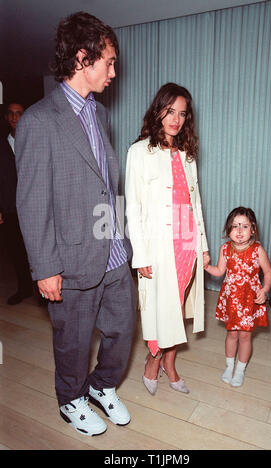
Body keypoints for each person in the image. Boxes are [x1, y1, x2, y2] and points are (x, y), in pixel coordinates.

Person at [15, 11, 136, 436]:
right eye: (110, 61)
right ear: (83, 58)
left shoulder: (100, 114)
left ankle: (102, 387)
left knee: (122, 330)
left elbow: (105, 182)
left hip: (113, 247)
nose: (114, 72)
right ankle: (71, 400)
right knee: (74, 342)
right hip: (70, 258)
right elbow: (30, 202)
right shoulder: (37, 121)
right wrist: (44, 266)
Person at [125, 83, 210, 395]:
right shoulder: (139, 151)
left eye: (182, 114)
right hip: (158, 244)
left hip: (187, 241)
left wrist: (202, 245)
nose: (176, 119)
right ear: (158, 109)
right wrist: (141, 255)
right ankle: (155, 360)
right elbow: (132, 207)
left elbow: (195, 201)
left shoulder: (186, 153)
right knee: (162, 307)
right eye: (170, 111)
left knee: (177, 304)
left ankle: (167, 362)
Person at [205, 207, 271, 387]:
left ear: (253, 229)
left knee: (245, 336)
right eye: (235, 226)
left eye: (245, 226)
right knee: (232, 334)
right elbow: (219, 271)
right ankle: (229, 366)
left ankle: (240, 370)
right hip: (231, 299)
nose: (240, 231)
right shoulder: (225, 249)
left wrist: (264, 290)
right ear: (228, 230)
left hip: (249, 300)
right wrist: (206, 266)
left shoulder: (258, 250)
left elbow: (268, 272)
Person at [0, 102, 33, 305]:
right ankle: (24, 288)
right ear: (6, 118)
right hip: (10, 207)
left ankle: (44, 292)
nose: (14, 117)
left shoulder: (34, 141)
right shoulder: (1, 146)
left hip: (33, 207)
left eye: (18, 113)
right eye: (10, 114)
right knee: (16, 250)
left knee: (36, 250)